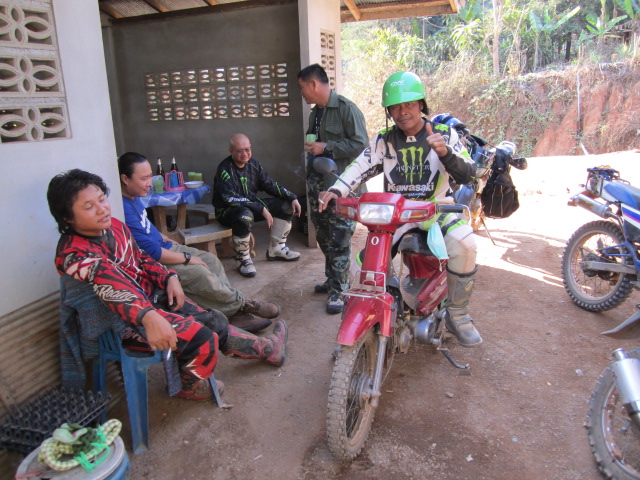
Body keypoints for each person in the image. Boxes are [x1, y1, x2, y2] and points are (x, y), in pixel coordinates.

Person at [47, 169, 288, 401]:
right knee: (201, 336)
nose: (102, 209)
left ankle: (268, 349)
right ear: (67, 217)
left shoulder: (115, 227)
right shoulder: (73, 253)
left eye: (102, 199)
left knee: (214, 319)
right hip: (125, 323)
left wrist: (168, 277)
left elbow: (141, 257)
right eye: (89, 206)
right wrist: (148, 316)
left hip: (152, 300)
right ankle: (189, 385)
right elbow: (110, 282)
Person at [318, 71, 482, 347]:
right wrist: (336, 190)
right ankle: (360, 326)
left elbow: (469, 172)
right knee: (361, 269)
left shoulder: (444, 134)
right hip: (396, 216)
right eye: (395, 107)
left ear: (421, 105)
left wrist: (446, 154)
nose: (402, 112)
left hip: (438, 210)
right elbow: (359, 166)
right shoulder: (384, 140)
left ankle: (458, 314)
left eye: (409, 104)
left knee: (465, 244)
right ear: (389, 112)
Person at [118, 152, 279, 333]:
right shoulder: (122, 208)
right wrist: (187, 258)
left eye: (150, 177)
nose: (149, 183)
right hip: (156, 261)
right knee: (199, 273)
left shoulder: (135, 197)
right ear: (125, 179)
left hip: (166, 247)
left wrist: (162, 236)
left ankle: (231, 314)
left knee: (211, 261)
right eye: (144, 178)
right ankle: (243, 305)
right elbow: (152, 252)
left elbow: (145, 227)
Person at [298, 63, 368, 314]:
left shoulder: (347, 109)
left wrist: (326, 147)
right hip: (319, 186)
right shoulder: (315, 114)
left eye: (302, 87)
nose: (302, 93)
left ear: (314, 84)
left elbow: (362, 145)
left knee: (339, 239)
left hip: (342, 187)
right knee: (324, 237)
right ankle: (333, 279)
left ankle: (340, 290)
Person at [212, 133, 302, 277]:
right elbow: (230, 198)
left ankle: (277, 249)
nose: (244, 154)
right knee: (245, 215)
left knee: (286, 206)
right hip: (227, 211)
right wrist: (260, 208)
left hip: (251, 206)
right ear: (230, 151)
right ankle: (242, 259)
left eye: (247, 149)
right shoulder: (224, 169)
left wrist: (291, 196)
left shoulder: (253, 164)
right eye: (239, 151)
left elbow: (269, 184)